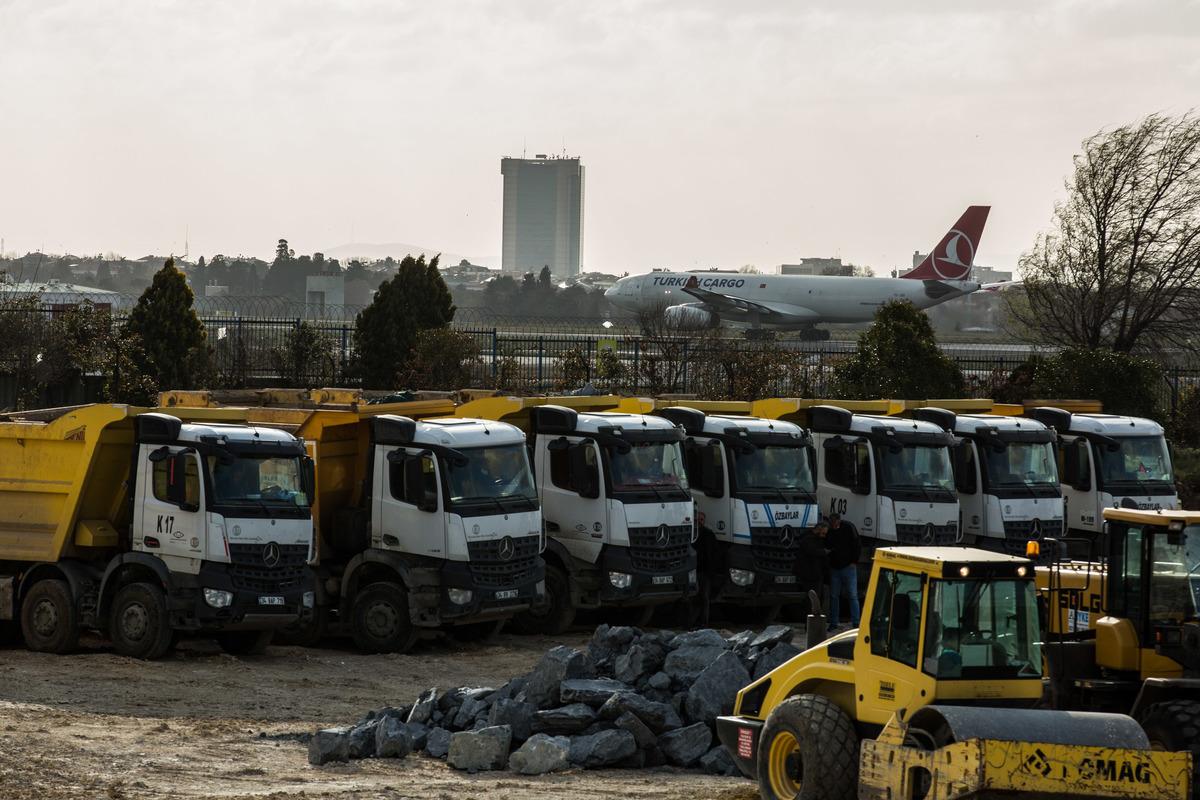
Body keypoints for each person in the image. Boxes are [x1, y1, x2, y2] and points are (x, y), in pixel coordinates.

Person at [826, 513, 861, 630]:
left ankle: (855, 622)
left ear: (838, 521)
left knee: (851, 595)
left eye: (834, 523)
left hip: (846, 566)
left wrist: (854, 561)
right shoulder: (832, 530)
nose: (833, 525)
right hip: (837, 566)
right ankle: (834, 622)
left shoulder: (848, 527)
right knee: (836, 596)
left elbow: (856, 544)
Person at [795, 521, 830, 615]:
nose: (824, 536)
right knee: (812, 600)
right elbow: (811, 552)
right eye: (823, 533)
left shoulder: (814, 539)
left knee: (818, 598)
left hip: (816, 573)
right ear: (818, 529)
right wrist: (823, 552)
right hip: (811, 574)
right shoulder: (808, 540)